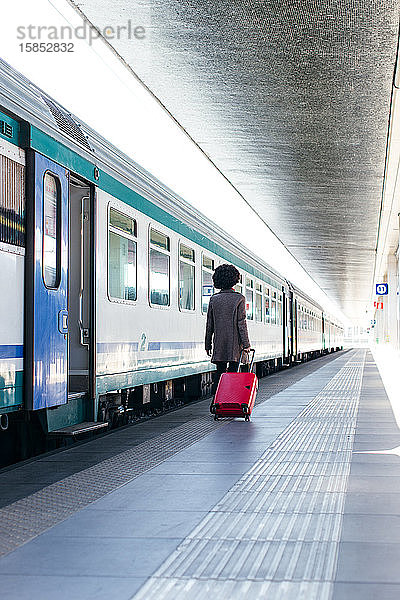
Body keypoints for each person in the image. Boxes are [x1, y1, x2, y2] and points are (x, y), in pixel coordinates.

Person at [205, 264, 251, 407]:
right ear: (234, 280)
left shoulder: (214, 299)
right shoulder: (239, 299)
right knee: (232, 374)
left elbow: (209, 325)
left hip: (219, 344)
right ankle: (230, 403)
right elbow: (241, 324)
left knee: (219, 374)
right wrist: (247, 344)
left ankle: (216, 403)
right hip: (234, 345)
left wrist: (208, 344)